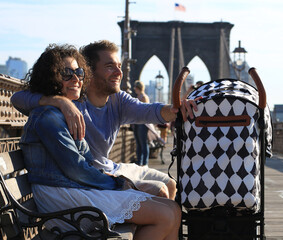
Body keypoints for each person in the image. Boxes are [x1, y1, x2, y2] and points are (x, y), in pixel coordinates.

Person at [20, 43, 181, 239]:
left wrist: (177, 109)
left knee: (173, 209)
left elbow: (149, 111)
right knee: (166, 214)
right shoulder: (50, 115)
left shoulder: (68, 110)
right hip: (64, 196)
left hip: (79, 186)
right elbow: (76, 168)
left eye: (78, 72)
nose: (76, 78)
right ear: (51, 76)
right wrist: (119, 184)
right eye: (66, 73)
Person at [11, 40, 197, 200]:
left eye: (119, 66)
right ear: (90, 71)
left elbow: (150, 111)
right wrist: (57, 100)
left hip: (111, 167)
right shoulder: (74, 99)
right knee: (160, 193)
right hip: (92, 177)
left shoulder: (118, 100)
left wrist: (175, 109)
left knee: (171, 184)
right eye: (110, 67)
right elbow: (17, 98)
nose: (119, 72)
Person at [132, 80, 150, 166]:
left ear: (138, 87)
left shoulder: (144, 97)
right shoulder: (138, 97)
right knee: (138, 143)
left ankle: (145, 163)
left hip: (142, 123)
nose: (134, 88)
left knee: (143, 143)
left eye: (135, 87)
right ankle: (139, 162)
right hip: (136, 122)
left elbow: (145, 111)